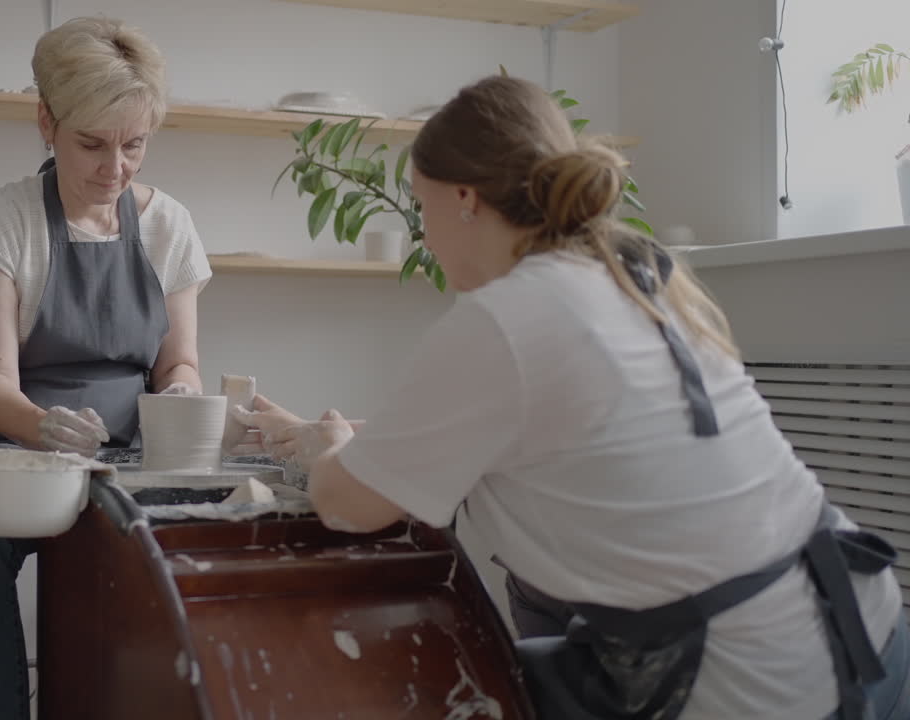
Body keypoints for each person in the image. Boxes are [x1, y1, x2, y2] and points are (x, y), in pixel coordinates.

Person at [234, 75, 909, 720]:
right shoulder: (625, 276)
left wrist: (330, 449)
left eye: (422, 202)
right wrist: (357, 440)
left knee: (440, 682)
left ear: (464, 198)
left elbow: (345, 506)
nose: (425, 232)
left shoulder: (505, 316)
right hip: (861, 626)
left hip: (762, 675)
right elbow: (549, 432)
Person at [0, 17, 211, 718]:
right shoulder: (0, 224)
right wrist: (45, 427)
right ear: (47, 122)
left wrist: (182, 395)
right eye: (92, 144)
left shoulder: (169, 226)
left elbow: (180, 362)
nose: (115, 168)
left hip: (132, 461)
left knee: (229, 518)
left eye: (134, 145)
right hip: (17, 452)